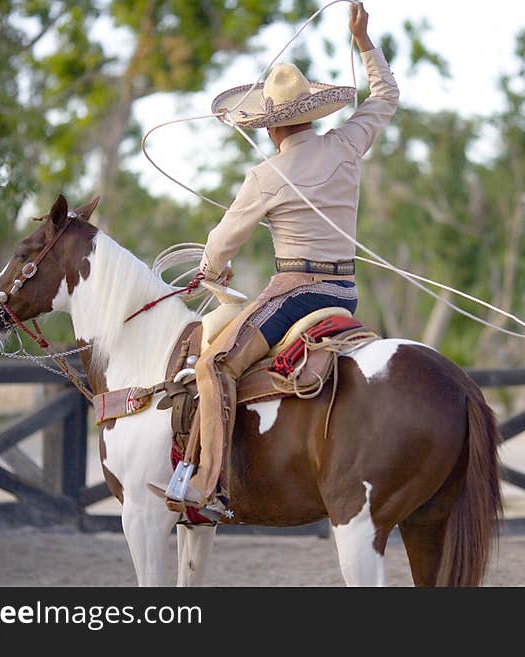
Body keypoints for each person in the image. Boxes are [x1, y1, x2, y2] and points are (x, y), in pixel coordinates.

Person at [164, 2, 399, 519]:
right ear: (311, 116)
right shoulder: (346, 144)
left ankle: (212, 484)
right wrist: (362, 40)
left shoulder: (264, 177)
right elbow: (386, 96)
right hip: (344, 294)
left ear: (271, 128)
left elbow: (221, 243)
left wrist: (211, 271)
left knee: (215, 363)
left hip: (295, 296)